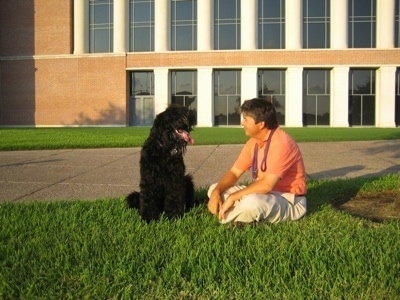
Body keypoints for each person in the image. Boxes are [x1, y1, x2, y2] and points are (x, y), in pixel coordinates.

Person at [207, 98, 307, 224]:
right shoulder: (254, 142)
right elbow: (234, 173)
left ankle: (226, 216)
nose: (242, 123)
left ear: (261, 124)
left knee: (252, 202)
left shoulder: (282, 143)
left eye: (246, 119)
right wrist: (217, 191)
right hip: (263, 193)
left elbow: (267, 185)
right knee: (213, 189)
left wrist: (233, 198)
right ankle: (240, 213)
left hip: (288, 199)